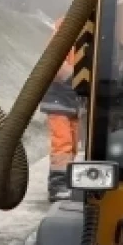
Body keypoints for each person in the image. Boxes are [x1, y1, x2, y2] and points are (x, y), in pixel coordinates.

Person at [39, 17, 81, 202]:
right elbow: (54, 62)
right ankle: (57, 186)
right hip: (59, 94)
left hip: (73, 97)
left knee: (71, 142)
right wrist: (78, 77)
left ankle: (66, 182)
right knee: (62, 141)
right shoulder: (67, 25)